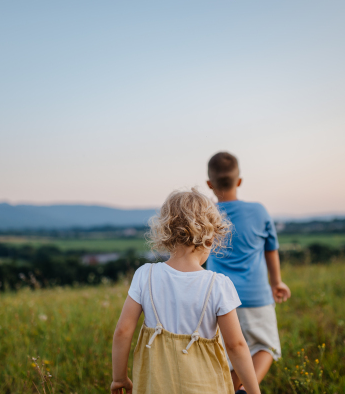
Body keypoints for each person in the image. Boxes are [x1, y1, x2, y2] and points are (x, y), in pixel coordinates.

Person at [110, 188, 261, 394]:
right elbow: (236, 345)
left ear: (166, 234)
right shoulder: (218, 284)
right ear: (210, 238)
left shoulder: (145, 275)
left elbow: (122, 331)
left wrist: (120, 378)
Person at [206, 151, 291, 394]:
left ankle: (234, 389)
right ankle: (240, 390)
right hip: (256, 296)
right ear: (239, 181)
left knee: (229, 353)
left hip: (218, 299)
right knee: (265, 347)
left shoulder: (206, 215)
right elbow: (271, 249)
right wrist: (277, 282)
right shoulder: (259, 211)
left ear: (209, 184)